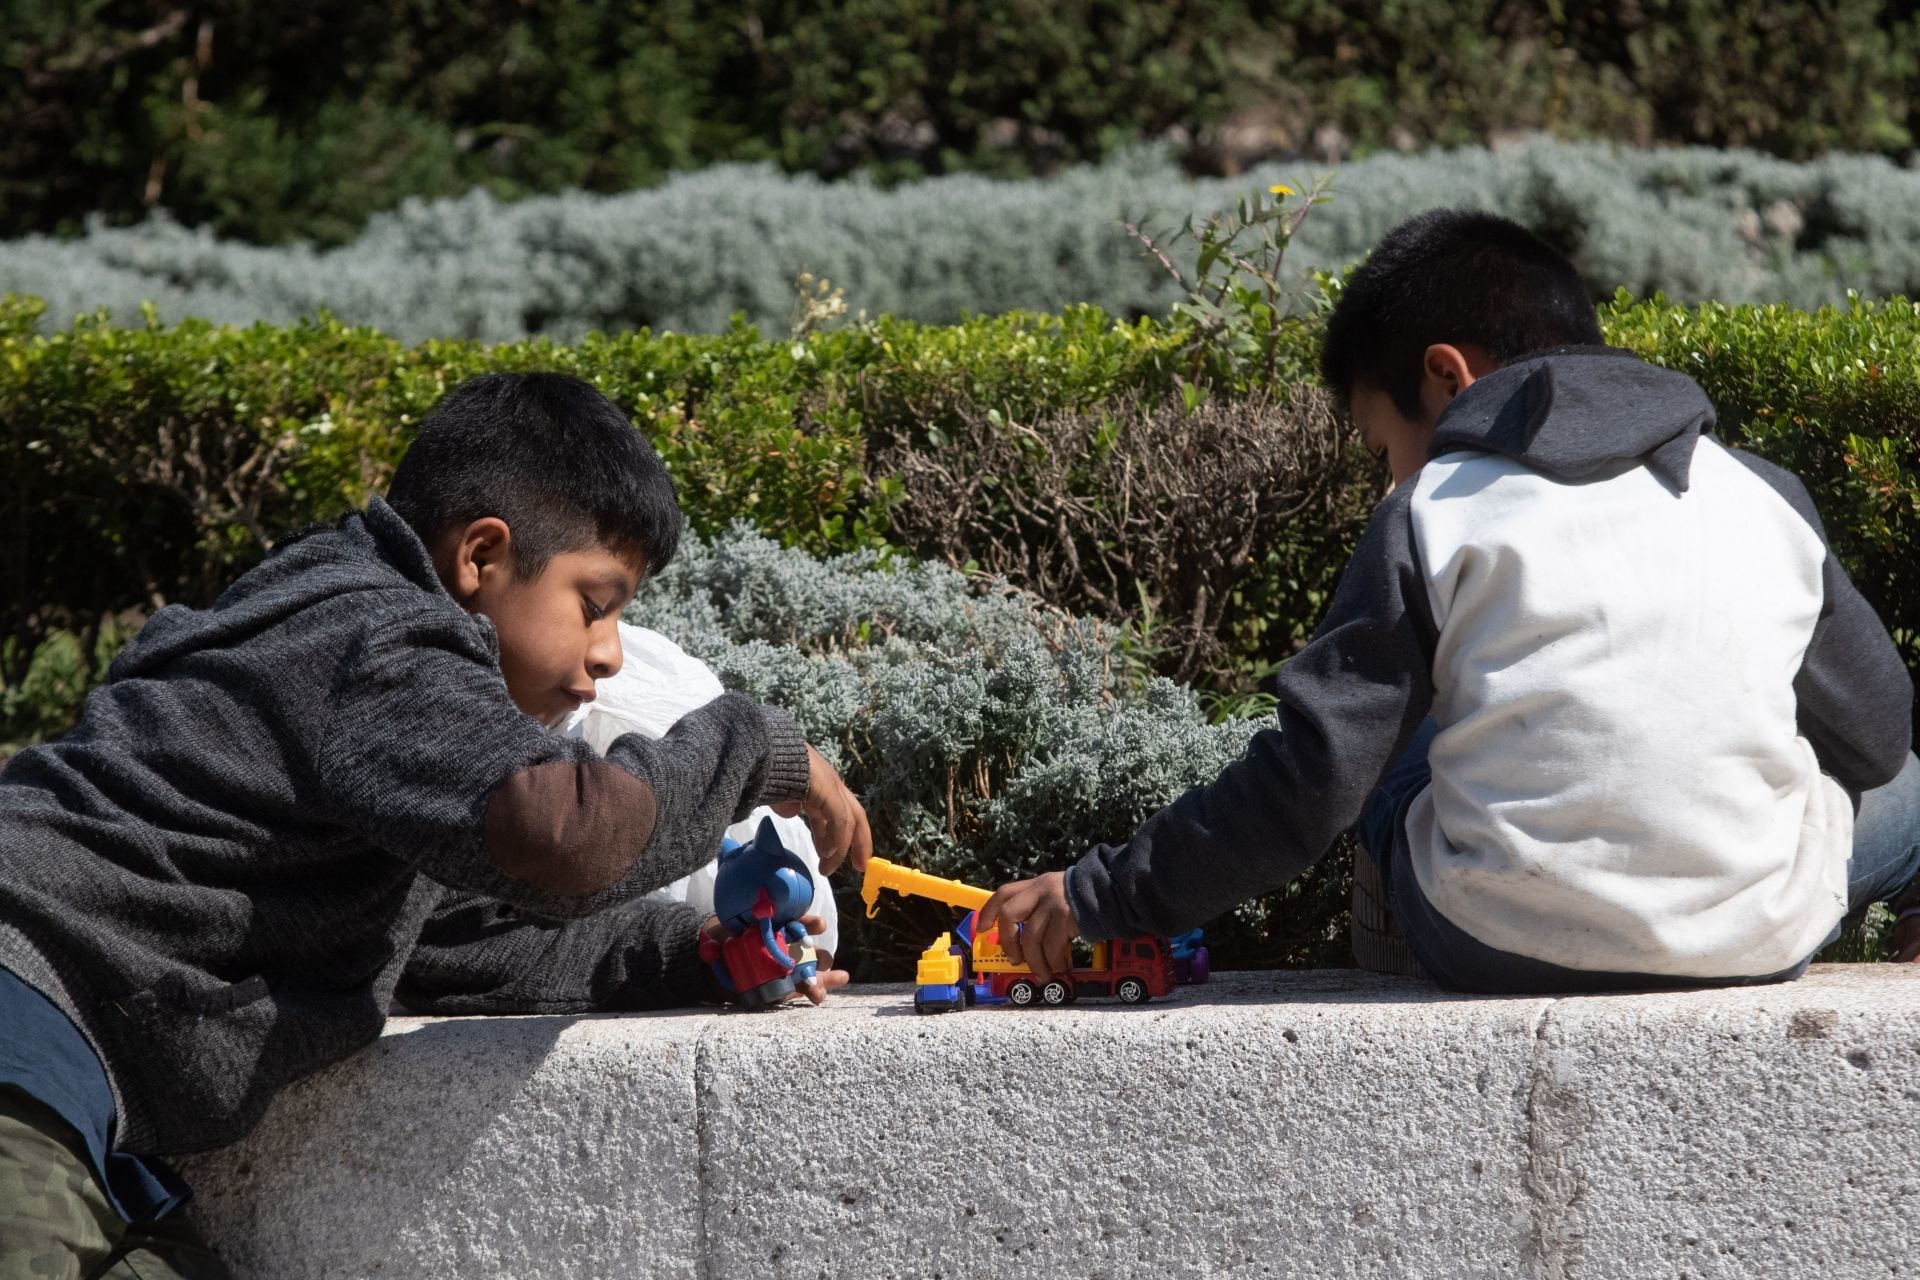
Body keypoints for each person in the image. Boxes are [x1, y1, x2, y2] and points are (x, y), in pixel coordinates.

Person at [0, 372, 870, 1277]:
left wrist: (703, 956)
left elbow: (460, 942)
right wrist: (759, 749)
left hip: (77, 1106)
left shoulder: (353, 676)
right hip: (25, 1035)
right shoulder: (376, 639)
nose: (610, 653)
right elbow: (562, 834)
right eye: (596, 602)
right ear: (481, 557)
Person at [981, 209, 1919, 994]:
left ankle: (1386, 944)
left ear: (1447, 374)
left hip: (1493, 937)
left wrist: (1102, 894)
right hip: (1757, 938)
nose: (1389, 471)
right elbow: (1875, 737)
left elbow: (1311, 785)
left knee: (1396, 739)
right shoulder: (1757, 492)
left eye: (1383, 441)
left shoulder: (1433, 508)